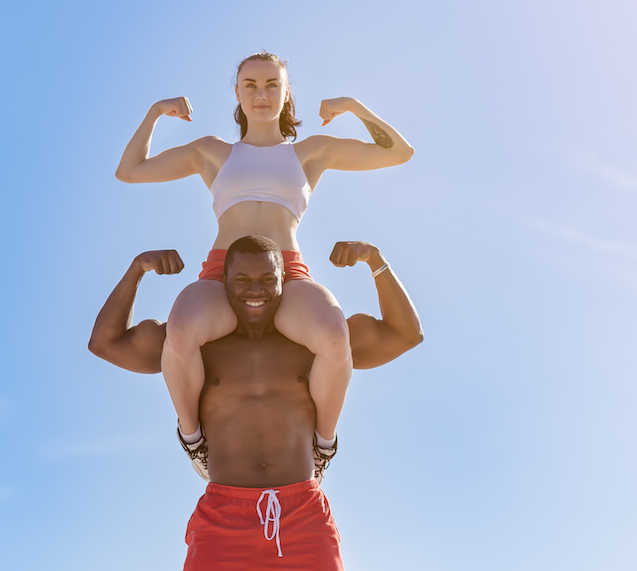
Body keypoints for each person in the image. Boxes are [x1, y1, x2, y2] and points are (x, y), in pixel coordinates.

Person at [114, 51, 415, 452]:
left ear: (286, 93)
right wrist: (154, 112)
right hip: (223, 271)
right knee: (181, 328)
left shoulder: (310, 152)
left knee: (332, 333)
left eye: (273, 84)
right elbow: (130, 170)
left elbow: (398, 152)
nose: (262, 94)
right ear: (237, 93)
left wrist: (351, 106)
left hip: (287, 273)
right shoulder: (212, 152)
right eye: (251, 85)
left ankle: (323, 445)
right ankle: (193, 441)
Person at [89, 236, 423, 570]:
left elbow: (406, 334)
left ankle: (323, 448)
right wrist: (137, 269)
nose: (255, 291)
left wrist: (374, 259)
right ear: (223, 282)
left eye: (267, 280)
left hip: (303, 513)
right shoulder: (196, 347)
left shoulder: (311, 344)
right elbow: (106, 343)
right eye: (243, 280)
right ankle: (194, 444)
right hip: (222, 516)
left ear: (284, 282)